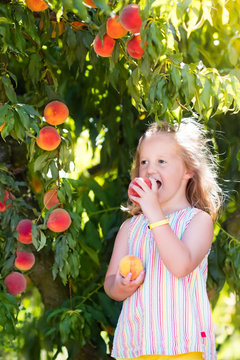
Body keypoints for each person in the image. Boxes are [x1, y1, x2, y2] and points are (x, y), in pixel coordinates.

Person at [104, 118, 223, 360]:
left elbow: (180, 266)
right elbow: (110, 284)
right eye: (144, 162)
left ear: (188, 170)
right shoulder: (131, 228)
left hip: (184, 347)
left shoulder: (197, 221)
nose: (149, 169)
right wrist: (122, 285)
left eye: (161, 161)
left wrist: (154, 211)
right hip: (138, 347)